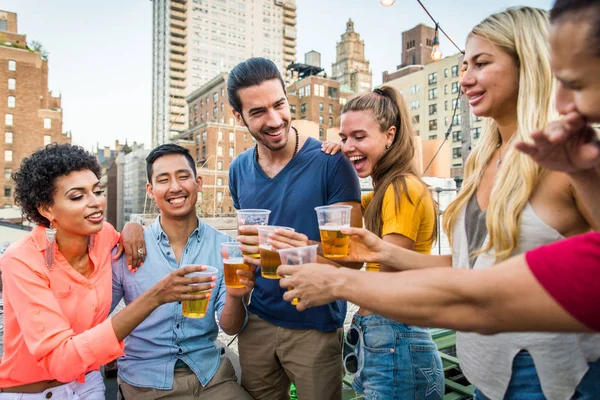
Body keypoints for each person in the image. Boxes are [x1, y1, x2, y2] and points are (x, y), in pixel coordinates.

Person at [282, 7, 600, 400]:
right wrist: (382, 250)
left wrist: (337, 281)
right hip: (486, 377)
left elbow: (485, 293)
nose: (464, 79)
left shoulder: (572, 159)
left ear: (529, 63)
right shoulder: (481, 161)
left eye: (481, 63)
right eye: (464, 65)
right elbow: (472, 267)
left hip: (550, 380)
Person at [0, 144, 212, 399]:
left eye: (97, 191)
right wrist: (156, 296)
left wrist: (133, 225)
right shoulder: (21, 260)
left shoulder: (104, 237)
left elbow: (127, 236)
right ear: (46, 209)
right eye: (77, 196)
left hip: (90, 385)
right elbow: (61, 360)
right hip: (31, 393)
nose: (96, 202)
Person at [273, 86, 444, 399]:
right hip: (385, 341)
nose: (349, 146)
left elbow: (388, 284)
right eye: (343, 137)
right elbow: (349, 245)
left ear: (390, 135)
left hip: (395, 339)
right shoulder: (382, 193)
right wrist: (305, 243)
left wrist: (322, 272)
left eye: (360, 136)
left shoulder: (401, 189)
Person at [226, 57, 362, 400]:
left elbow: (354, 257)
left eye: (279, 105)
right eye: (257, 112)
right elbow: (248, 245)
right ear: (237, 116)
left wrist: (302, 250)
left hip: (315, 325)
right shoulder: (238, 169)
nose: (274, 120)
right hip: (255, 324)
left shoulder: (332, 162)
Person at [111, 144, 253, 400]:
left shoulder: (224, 247)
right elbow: (97, 322)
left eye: (183, 176)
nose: (175, 187)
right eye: (164, 180)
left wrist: (235, 296)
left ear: (198, 182)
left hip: (210, 377)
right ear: (151, 191)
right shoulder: (128, 248)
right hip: (144, 382)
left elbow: (231, 328)